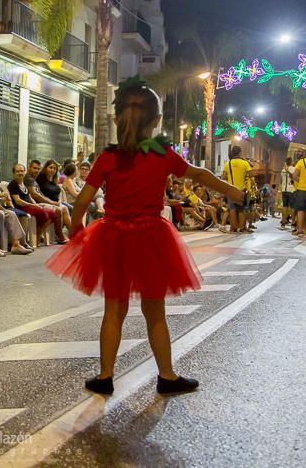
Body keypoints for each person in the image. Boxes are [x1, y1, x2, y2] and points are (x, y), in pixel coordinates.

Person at [46, 82, 244, 396]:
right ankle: (166, 376)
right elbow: (198, 175)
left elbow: (82, 201)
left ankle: (106, 376)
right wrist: (230, 190)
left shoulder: (108, 157)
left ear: (116, 119)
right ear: (156, 120)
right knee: (155, 313)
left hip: (112, 237)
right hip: (152, 238)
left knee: (114, 310)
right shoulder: (163, 154)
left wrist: (76, 230)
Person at [8, 163, 67, 243]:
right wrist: (32, 205)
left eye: (22, 171)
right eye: (17, 171)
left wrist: (36, 204)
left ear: (25, 172)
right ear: (14, 173)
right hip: (22, 207)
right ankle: (37, 237)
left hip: (30, 205)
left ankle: (38, 234)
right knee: (44, 213)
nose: (20, 173)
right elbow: (18, 201)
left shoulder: (23, 183)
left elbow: (29, 197)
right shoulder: (13, 183)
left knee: (52, 214)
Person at [222, 145, 252, 233]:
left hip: (231, 189)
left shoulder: (228, 163)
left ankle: (233, 228)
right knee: (242, 209)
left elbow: (224, 177)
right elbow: (251, 174)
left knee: (232, 209)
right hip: (241, 190)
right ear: (240, 153)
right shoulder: (245, 163)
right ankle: (242, 228)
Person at [279, 157, 295, 227]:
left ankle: (283, 221)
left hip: (284, 189)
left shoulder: (283, 170)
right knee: (292, 207)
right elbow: (294, 178)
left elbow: (281, 181)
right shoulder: (293, 169)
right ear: (291, 162)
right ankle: (293, 221)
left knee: (284, 206)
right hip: (291, 189)